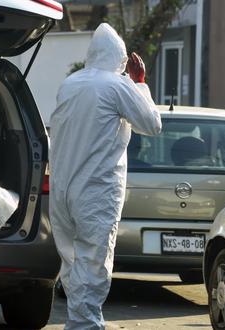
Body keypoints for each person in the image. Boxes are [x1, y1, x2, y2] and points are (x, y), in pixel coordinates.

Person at [49, 23, 162, 329]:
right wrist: (139, 83)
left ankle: (78, 321)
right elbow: (152, 124)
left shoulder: (70, 84)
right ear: (120, 58)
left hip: (62, 191)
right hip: (95, 192)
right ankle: (85, 325)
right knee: (94, 264)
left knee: (73, 265)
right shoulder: (116, 85)